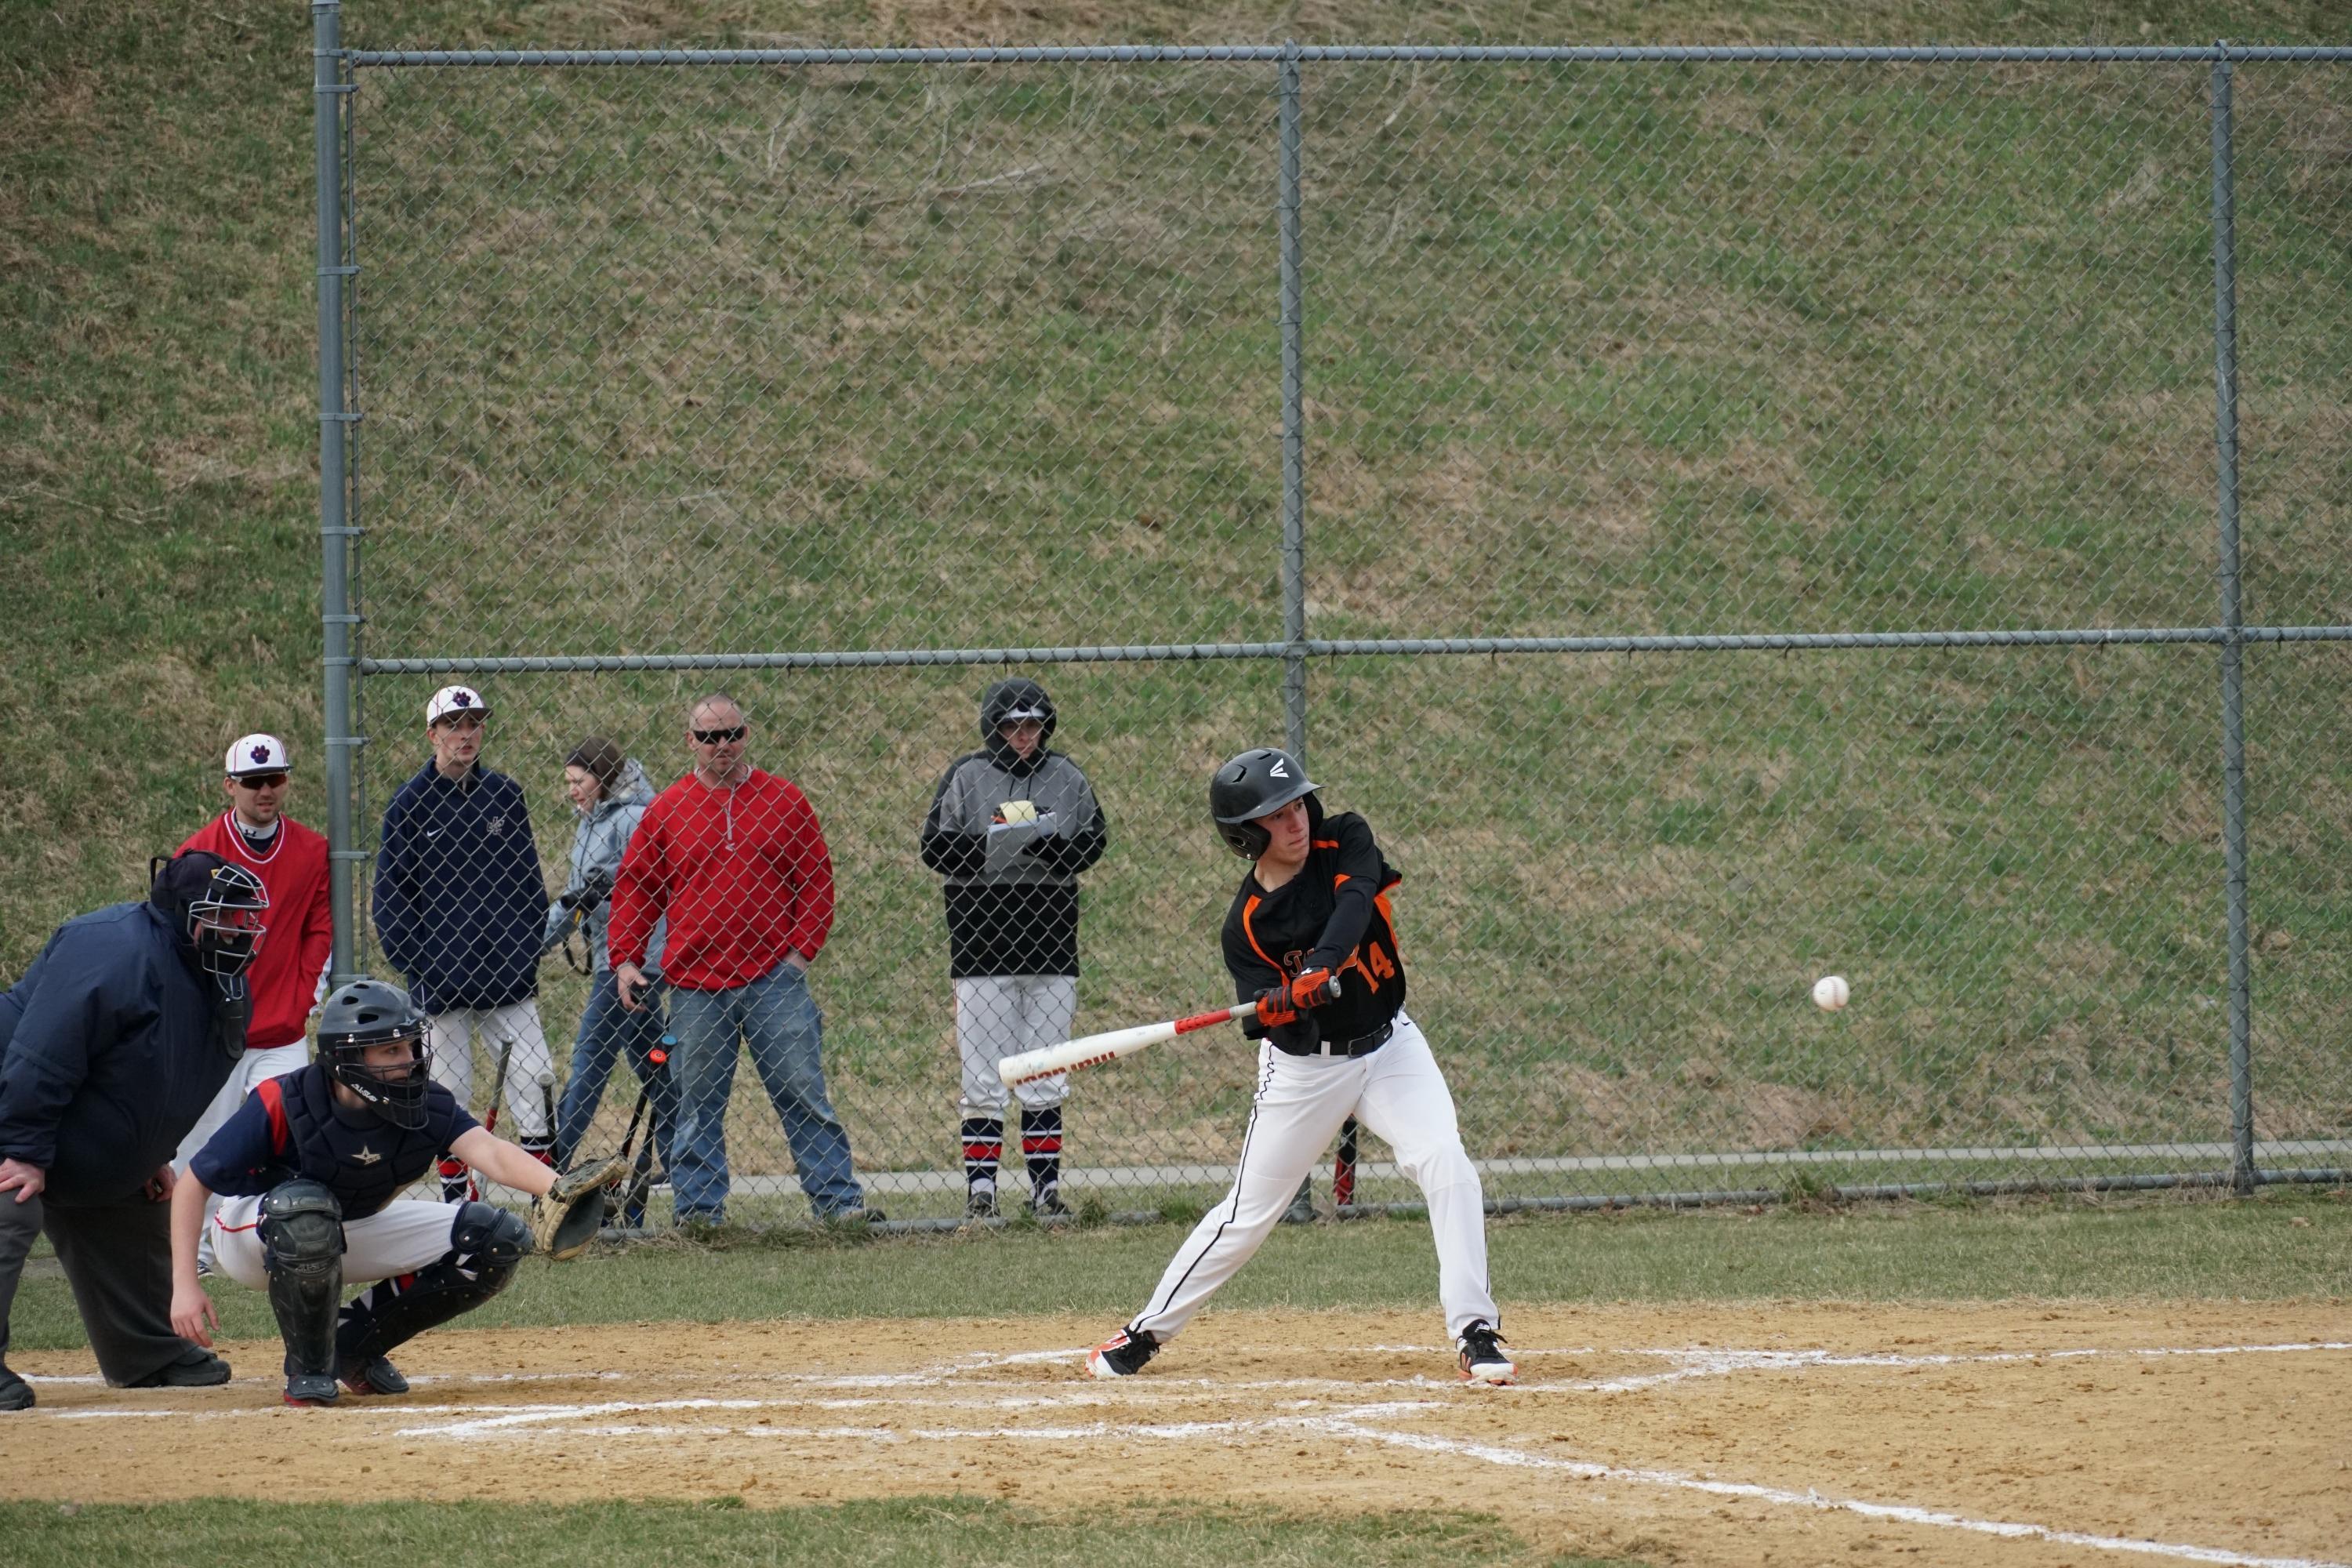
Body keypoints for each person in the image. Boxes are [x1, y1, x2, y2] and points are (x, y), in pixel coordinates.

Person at [1084, 749, 1515, 1386]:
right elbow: (1272, 1028)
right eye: (1275, 815)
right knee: (1247, 1214)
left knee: (1445, 1161)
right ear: (1245, 835)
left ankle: (1475, 1330)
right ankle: (1146, 1331)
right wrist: (1288, 1004)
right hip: (1306, 1071)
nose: (1295, 823)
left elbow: (1356, 904)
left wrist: (1320, 967)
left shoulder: (1345, 837)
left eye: (1296, 806)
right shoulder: (1248, 927)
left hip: (1392, 1046)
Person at [168, 978, 558, 1406]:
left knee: (496, 1238)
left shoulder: (422, 1102)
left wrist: (562, 1190)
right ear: (347, 1057)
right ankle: (308, 1368)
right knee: (307, 1212)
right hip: (254, 1235)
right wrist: (185, 1284)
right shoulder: (286, 1099)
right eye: (391, 1050)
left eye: (410, 1046)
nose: (408, 1060)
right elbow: (193, 1184)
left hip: (347, 1225)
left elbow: (491, 1153)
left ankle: (351, 1344)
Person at [0, 852, 269, 1408]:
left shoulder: (222, 984)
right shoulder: (113, 949)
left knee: (134, 1192)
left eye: (246, 919)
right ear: (182, 914)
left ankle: (148, 1353)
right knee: (12, 1200)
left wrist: (149, 1153)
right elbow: (41, 1058)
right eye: (224, 917)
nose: (240, 932)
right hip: (14, 1099)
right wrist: (22, 1149)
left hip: (60, 1115)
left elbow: (176, 1078)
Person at [608, 694, 877, 1225]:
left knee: (802, 1094)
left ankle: (840, 1207)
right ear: (690, 742)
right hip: (695, 988)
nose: (721, 746)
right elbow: (637, 888)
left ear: (746, 735)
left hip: (774, 983)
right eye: (709, 737)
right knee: (695, 1106)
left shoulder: (785, 801)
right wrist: (626, 960)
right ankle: (700, 1215)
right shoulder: (668, 810)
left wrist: (798, 957)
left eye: (731, 734)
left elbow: (816, 880)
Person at [920, 678, 1107, 1219]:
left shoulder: (1065, 775)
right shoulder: (967, 775)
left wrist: (1053, 848)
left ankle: (1045, 1189)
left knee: (1046, 1072)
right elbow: (933, 846)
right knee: (983, 1076)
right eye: (1012, 725)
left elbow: (1094, 841)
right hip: (982, 941)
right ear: (993, 728)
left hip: (1050, 942)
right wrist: (989, 845)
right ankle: (982, 1190)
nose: (1024, 736)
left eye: (1033, 724)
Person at [372, 684, 557, 1196]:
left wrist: (522, 957)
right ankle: (458, 1193)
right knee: (448, 1090)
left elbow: (529, 886)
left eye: (474, 723)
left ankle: (546, 1191)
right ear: (433, 734)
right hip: (442, 982)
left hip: (507, 976)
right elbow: (391, 899)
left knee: (535, 1076)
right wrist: (422, 966)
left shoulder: (505, 794)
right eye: (454, 725)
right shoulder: (409, 806)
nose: (465, 734)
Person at [172, 733, 336, 1275]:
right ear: (230, 786)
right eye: (253, 782)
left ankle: (286, 1242)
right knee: (200, 1143)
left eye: (276, 779)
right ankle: (190, 1256)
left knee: (293, 1137)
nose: (266, 791)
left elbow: (320, 930)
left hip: (281, 1031)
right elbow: (175, 936)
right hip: (216, 1028)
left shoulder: (311, 850)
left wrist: (304, 995)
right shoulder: (198, 854)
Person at [544, 735, 675, 1179]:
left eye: (579, 780)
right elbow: (575, 898)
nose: (572, 789)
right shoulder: (590, 820)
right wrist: (531, 945)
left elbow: (655, 872)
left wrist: (610, 882)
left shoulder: (635, 816)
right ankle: (684, 1159)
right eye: (568, 781)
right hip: (611, 956)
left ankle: (552, 1167)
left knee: (589, 1061)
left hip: (636, 961)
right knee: (652, 1061)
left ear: (602, 777)